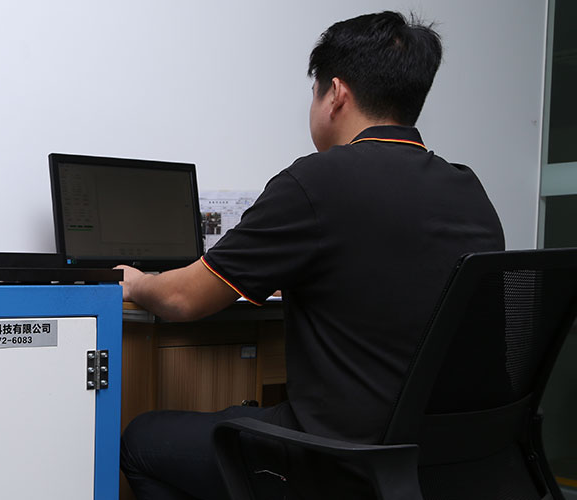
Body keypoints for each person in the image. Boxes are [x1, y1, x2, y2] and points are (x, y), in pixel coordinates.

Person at [118, 11, 505, 500]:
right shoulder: (469, 189)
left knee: (142, 440)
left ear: (335, 94)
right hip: (447, 460)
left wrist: (136, 282)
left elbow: (181, 299)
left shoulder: (317, 181)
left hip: (342, 460)